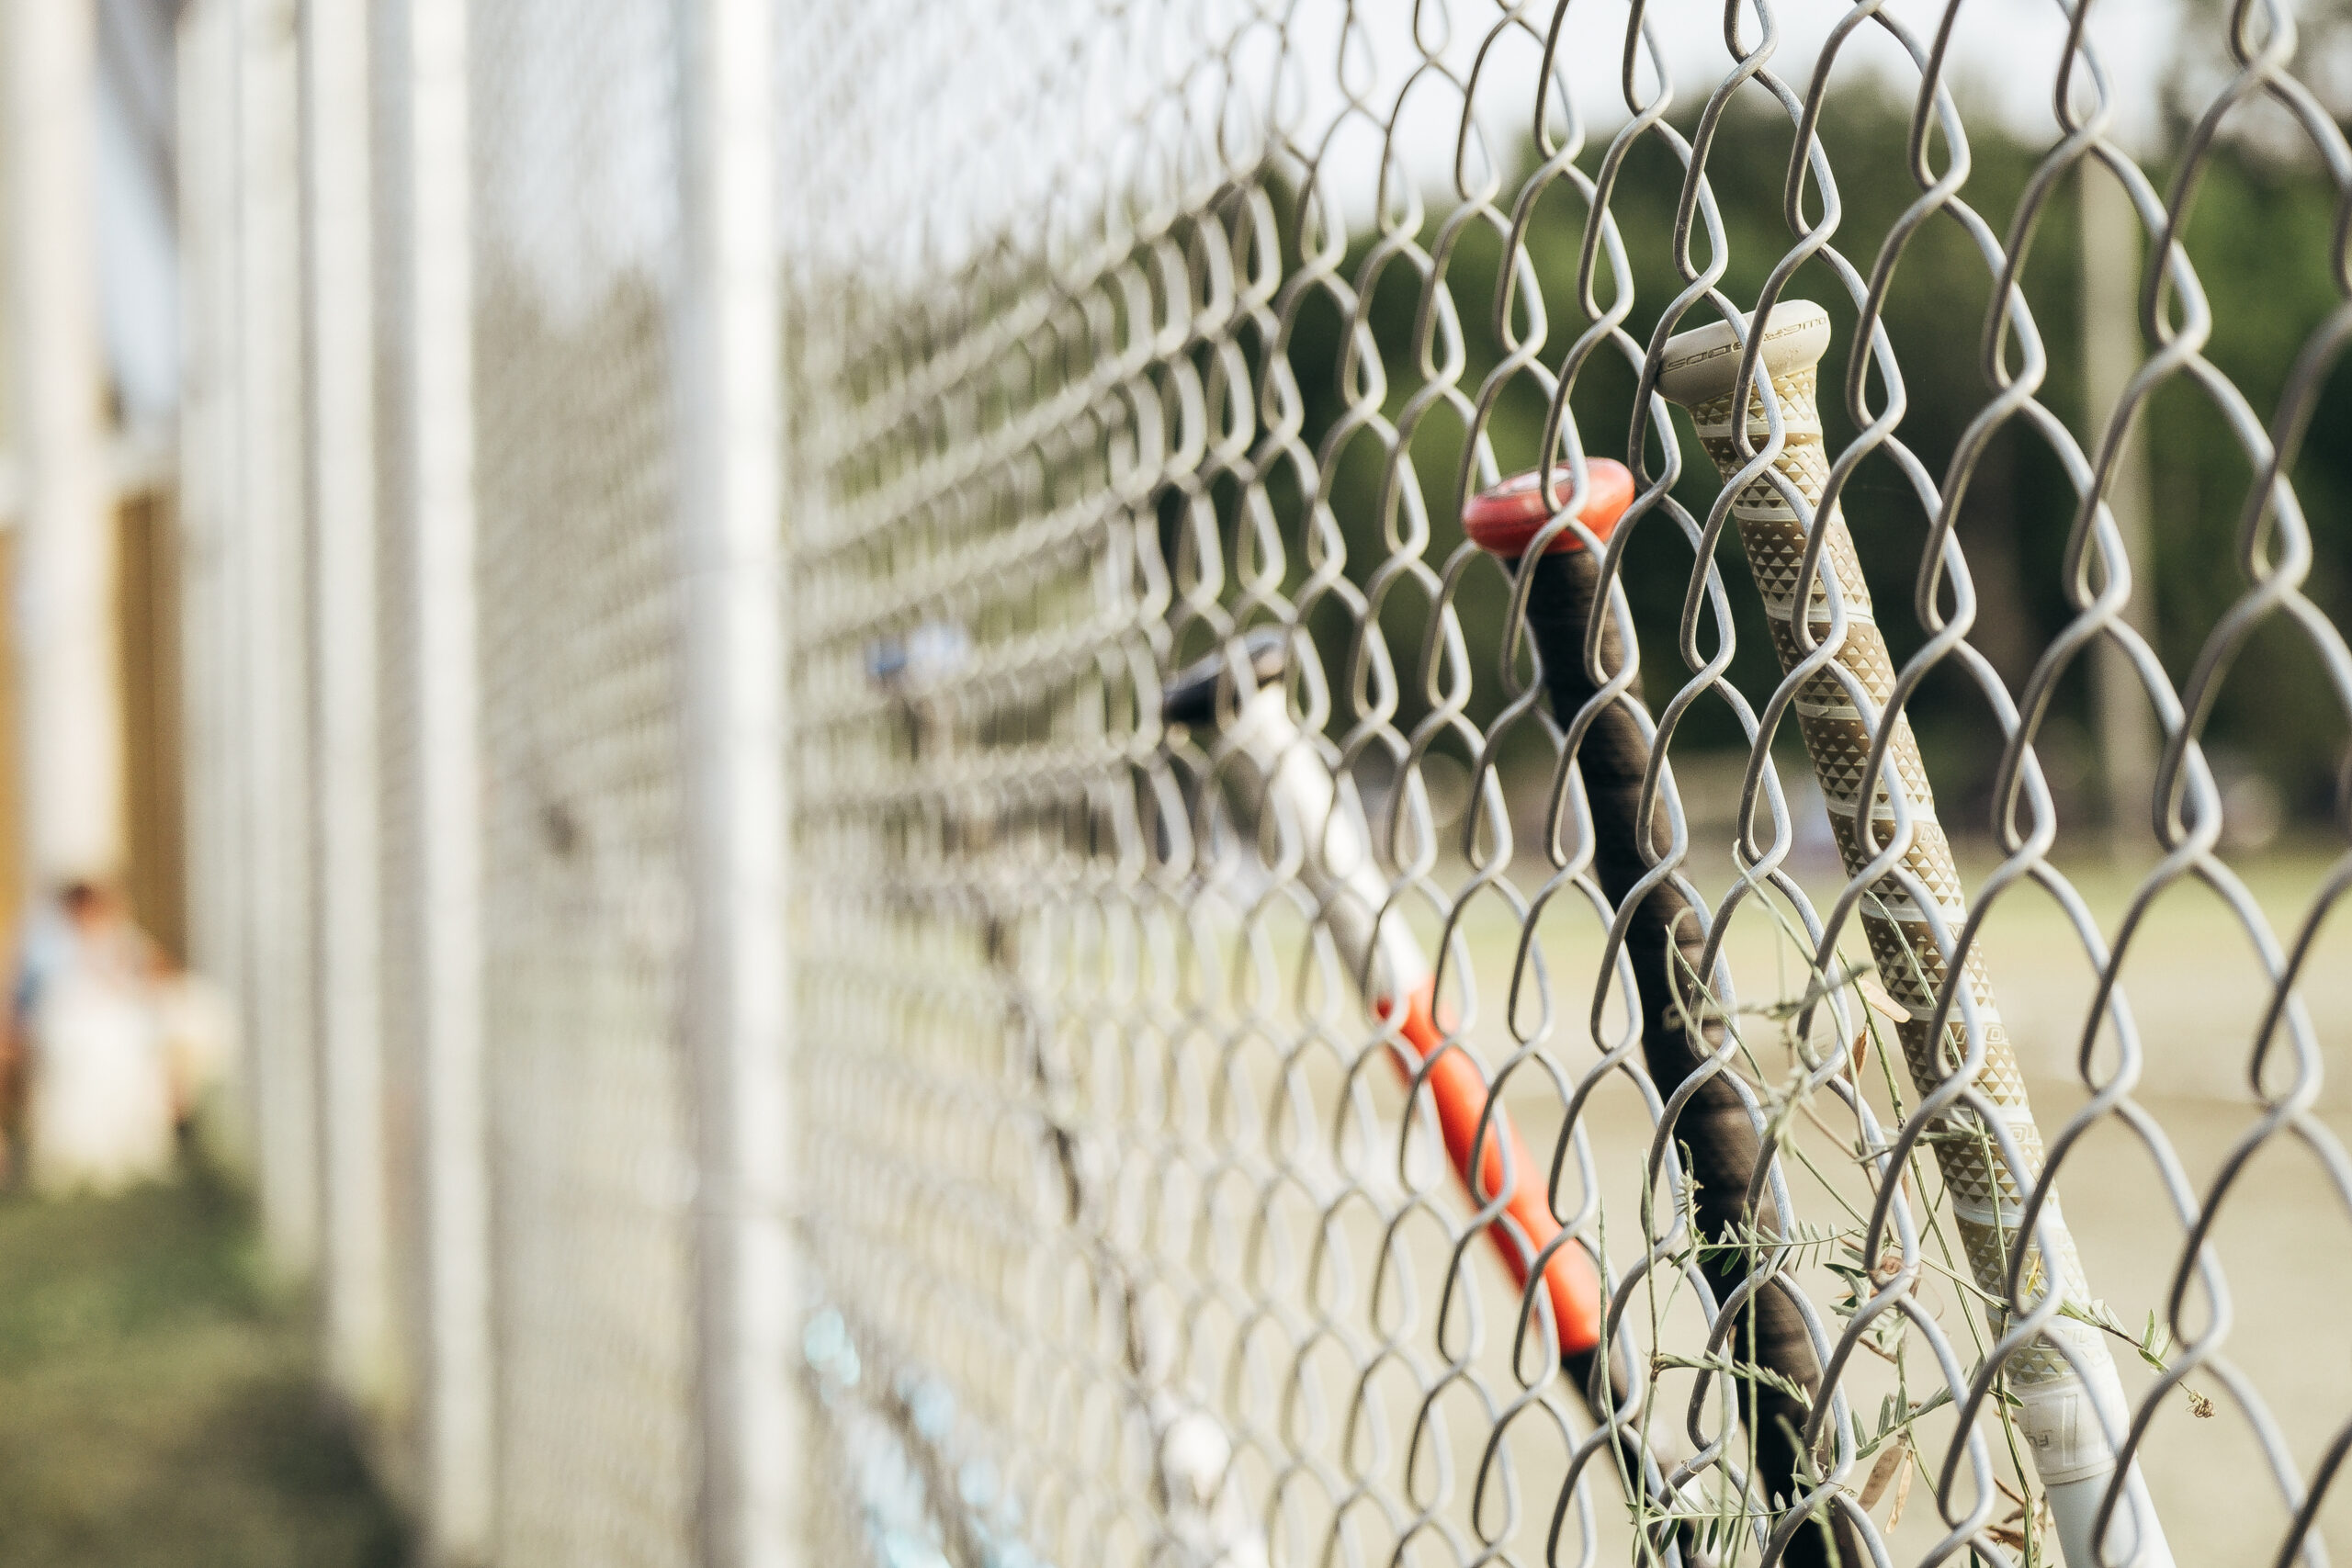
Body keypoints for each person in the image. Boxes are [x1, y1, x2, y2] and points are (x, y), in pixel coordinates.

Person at [6, 882, 177, 1193]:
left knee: (124, 1044)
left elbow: (153, 969)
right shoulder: (49, 942)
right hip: (67, 1022)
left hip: (114, 1020)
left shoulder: (122, 936)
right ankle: (81, 1152)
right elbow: (31, 993)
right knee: (93, 1048)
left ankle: (123, 1146)